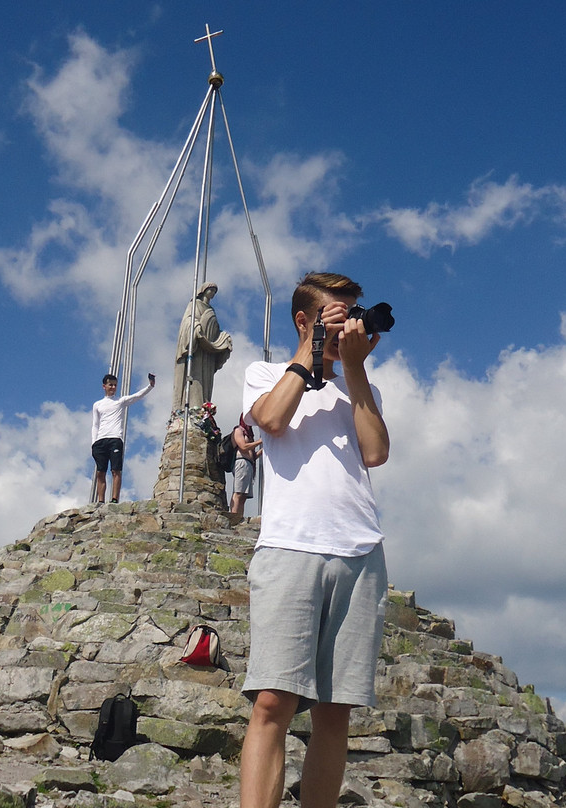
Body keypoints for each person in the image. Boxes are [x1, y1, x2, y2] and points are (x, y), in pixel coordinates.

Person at [239, 272, 391, 808]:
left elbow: (375, 453)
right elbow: (272, 421)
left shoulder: (360, 385)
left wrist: (354, 367)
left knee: (335, 711)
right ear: (304, 321)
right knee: (273, 702)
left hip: (359, 553)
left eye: (355, 312)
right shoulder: (264, 373)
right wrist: (310, 352)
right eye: (336, 314)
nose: (350, 322)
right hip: (290, 548)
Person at [91, 372, 155, 503]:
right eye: (111, 385)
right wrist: (94, 442)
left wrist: (150, 386)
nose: (113, 388)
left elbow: (137, 396)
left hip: (115, 439)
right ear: (104, 386)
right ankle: (101, 501)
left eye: (115, 385)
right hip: (100, 440)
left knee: (116, 470)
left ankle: (114, 499)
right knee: (100, 472)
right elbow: (95, 424)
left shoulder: (120, 401)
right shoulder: (97, 404)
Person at [173, 281, 233, 411]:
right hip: (196, 349)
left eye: (214, 291)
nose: (212, 293)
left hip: (207, 354)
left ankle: (203, 408)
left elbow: (213, 330)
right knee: (195, 379)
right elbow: (187, 321)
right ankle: (192, 408)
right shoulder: (195, 305)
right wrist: (196, 327)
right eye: (210, 290)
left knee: (206, 381)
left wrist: (223, 337)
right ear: (204, 290)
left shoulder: (211, 310)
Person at [229, 415, 262, 517]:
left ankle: (239, 517)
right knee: (238, 492)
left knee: (243, 495)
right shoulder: (238, 430)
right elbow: (243, 447)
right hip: (241, 462)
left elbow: (253, 456)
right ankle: (233, 516)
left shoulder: (249, 435)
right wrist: (260, 441)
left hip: (249, 464)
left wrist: (264, 447)